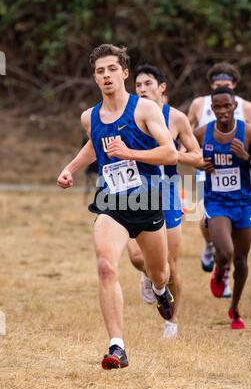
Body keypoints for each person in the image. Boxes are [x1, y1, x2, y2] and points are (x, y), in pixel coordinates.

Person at [57, 44, 178, 370]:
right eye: (100, 71)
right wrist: (70, 168)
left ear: (124, 72)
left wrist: (132, 154)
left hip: (148, 200)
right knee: (106, 266)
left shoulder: (146, 110)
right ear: (95, 77)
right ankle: (117, 346)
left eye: (112, 69)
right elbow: (94, 147)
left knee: (159, 271)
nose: (106, 75)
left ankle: (160, 290)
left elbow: (170, 154)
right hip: (111, 202)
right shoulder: (90, 117)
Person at [127, 64, 203, 339]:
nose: (142, 89)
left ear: (162, 88)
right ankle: (148, 274)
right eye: (138, 85)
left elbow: (197, 158)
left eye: (148, 84)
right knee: (136, 255)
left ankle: (172, 321)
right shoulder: (128, 113)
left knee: (170, 265)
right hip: (134, 192)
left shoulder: (177, 118)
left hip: (168, 191)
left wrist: (170, 154)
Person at [194, 86, 251, 329]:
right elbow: (183, 154)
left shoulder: (250, 132)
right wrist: (199, 163)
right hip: (216, 202)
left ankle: (234, 308)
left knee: (242, 260)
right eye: (218, 107)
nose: (223, 111)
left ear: (235, 106)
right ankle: (219, 269)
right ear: (212, 109)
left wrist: (246, 157)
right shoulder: (201, 133)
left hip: (243, 202)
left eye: (227, 106)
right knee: (225, 252)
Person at [188, 62, 251, 298]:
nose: (221, 84)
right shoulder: (199, 104)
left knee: (233, 243)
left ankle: (226, 278)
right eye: (216, 82)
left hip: (237, 178)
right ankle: (211, 246)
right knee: (208, 220)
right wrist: (196, 159)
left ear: (234, 85)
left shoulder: (247, 107)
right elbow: (186, 137)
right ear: (211, 86)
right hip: (207, 173)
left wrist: (248, 157)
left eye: (227, 82)